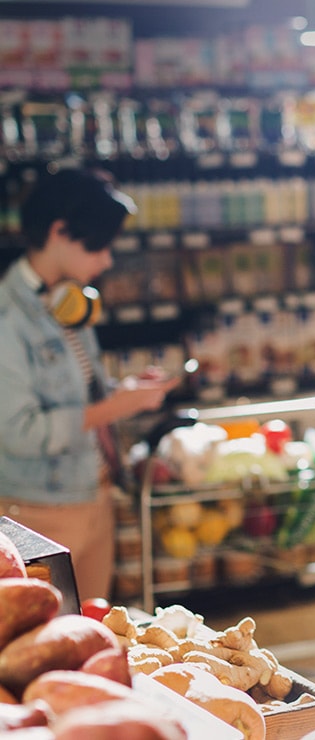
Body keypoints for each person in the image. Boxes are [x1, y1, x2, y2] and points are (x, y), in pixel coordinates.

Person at [0, 168, 179, 601]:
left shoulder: (68, 298)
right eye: (98, 245)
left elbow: (76, 391)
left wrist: (122, 392)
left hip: (95, 494)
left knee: (95, 626)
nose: (106, 260)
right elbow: (18, 431)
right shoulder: (9, 315)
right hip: (40, 510)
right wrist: (116, 408)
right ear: (59, 231)